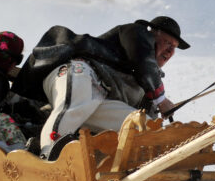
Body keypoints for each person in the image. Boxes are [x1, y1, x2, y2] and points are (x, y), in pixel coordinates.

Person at [12, 16, 190, 160]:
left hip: (98, 99)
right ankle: (47, 158)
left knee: (142, 126)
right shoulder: (138, 33)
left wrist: (157, 122)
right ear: (153, 34)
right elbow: (142, 59)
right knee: (76, 103)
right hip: (78, 72)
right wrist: (162, 100)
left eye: (173, 48)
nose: (169, 51)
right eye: (167, 43)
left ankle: (151, 177)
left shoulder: (148, 80)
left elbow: (147, 109)